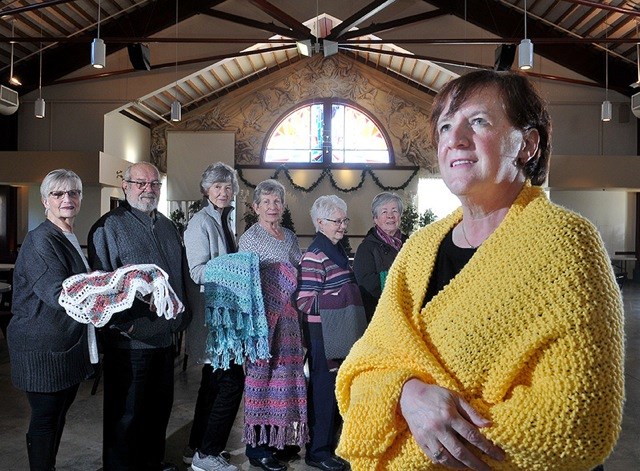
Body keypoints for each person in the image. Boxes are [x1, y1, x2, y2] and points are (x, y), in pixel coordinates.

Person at [335, 70, 625, 471]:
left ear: (527, 143)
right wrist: (406, 394)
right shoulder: (418, 250)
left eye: (479, 121)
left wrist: (408, 449)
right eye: (446, 126)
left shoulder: (565, 245)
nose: (455, 139)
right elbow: (361, 367)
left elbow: (578, 423)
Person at [88, 162, 190, 471]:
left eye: (154, 184)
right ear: (126, 186)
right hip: (130, 342)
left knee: (158, 409)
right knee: (126, 415)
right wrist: (127, 325)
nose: (149, 189)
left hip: (164, 337)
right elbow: (101, 284)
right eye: (140, 183)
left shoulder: (169, 226)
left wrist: (181, 318)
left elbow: (179, 276)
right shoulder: (108, 227)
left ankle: (151, 462)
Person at [7, 169, 95, 471]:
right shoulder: (40, 240)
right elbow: (59, 293)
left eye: (73, 192)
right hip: (42, 347)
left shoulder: (67, 236)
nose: (66, 199)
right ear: (45, 201)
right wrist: (113, 291)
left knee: (57, 416)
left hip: (65, 344)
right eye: (58, 194)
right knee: (45, 420)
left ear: (81, 198)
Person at [239, 180, 308, 471]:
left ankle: (281, 441)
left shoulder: (290, 237)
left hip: (289, 319)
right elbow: (245, 283)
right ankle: (258, 449)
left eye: (277, 202)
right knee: (262, 379)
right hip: (263, 319)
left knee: (286, 378)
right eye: (266, 202)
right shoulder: (250, 238)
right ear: (256, 207)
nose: (272, 207)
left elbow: (299, 269)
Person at [295, 195, 367, 471]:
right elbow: (304, 301)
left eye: (344, 220)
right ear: (319, 223)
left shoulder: (336, 250)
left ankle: (331, 447)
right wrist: (343, 296)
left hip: (340, 332)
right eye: (337, 221)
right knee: (324, 394)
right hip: (323, 335)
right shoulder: (315, 255)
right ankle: (317, 452)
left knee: (337, 393)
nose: (342, 226)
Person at [183, 162, 243, 471]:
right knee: (232, 382)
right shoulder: (199, 223)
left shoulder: (224, 220)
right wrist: (237, 269)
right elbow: (197, 272)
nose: (223, 191)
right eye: (217, 186)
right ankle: (207, 454)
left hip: (227, 316)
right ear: (207, 191)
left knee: (213, 383)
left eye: (228, 186)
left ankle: (196, 446)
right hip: (214, 318)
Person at [352, 192, 408, 321]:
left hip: (408, 311)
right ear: (375, 219)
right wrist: (402, 278)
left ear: (400, 216)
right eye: (384, 212)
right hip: (380, 315)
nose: (390, 216)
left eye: (395, 211)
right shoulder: (366, 248)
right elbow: (366, 283)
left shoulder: (410, 243)